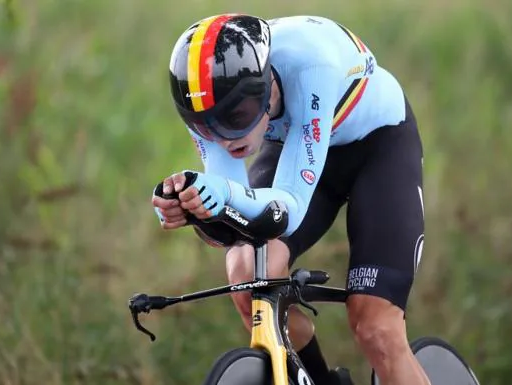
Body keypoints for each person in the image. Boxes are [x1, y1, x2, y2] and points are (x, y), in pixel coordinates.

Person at [152, 13, 430, 385]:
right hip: (298, 146)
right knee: (246, 272)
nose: (226, 139)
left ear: (266, 87)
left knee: (375, 327)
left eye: (238, 116)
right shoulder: (204, 99)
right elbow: (233, 224)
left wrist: (222, 199)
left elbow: (287, 211)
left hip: (377, 147)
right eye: (207, 126)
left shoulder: (310, 67)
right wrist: (194, 209)